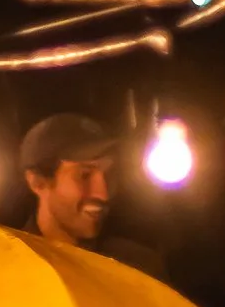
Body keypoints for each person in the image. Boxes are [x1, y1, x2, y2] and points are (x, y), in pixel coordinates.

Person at [19, 112, 169, 278]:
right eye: (84, 175)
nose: (103, 194)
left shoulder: (138, 268)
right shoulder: (9, 271)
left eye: (109, 174)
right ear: (37, 182)